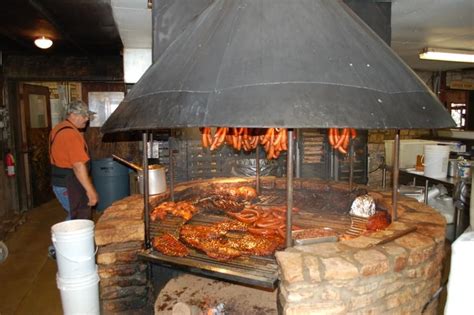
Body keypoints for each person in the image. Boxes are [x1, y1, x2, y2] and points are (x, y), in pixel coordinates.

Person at [48, 100, 99, 258]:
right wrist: (91, 191)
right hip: (68, 182)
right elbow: (78, 165)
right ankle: (62, 249)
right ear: (73, 115)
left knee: (75, 214)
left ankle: (61, 247)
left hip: (64, 180)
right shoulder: (69, 134)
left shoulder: (60, 128)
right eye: (84, 116)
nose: (87, 119)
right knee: (77, 216)